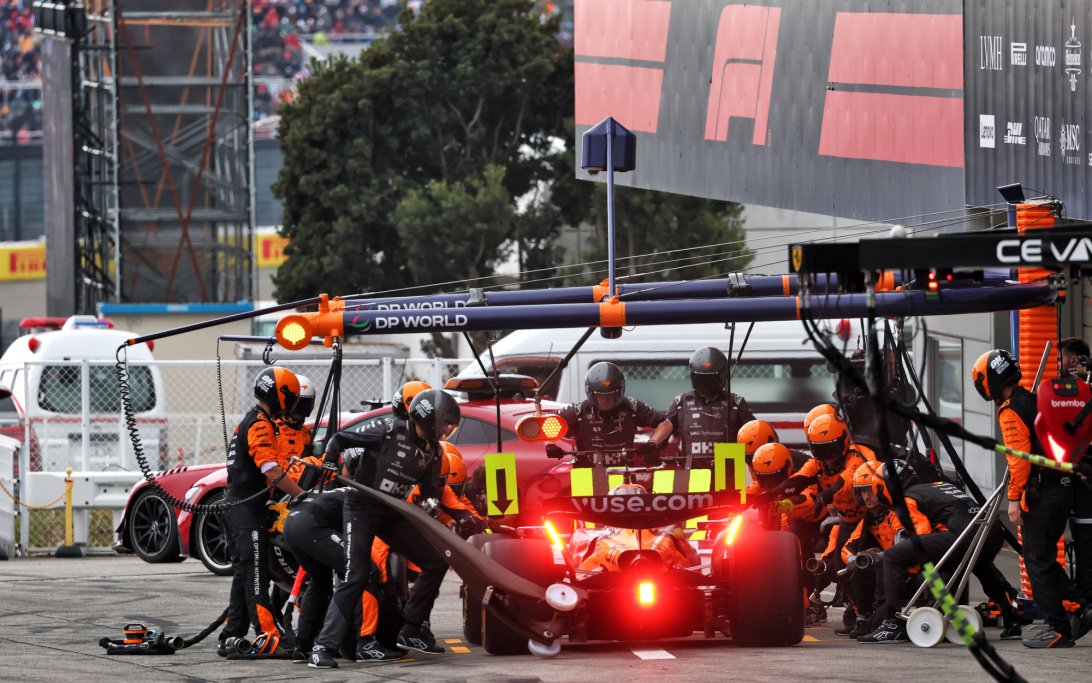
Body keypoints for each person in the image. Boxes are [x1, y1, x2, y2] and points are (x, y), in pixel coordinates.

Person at [309, 389, 461, 669]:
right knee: (356, 574)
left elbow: (430, 492)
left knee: (436, 561)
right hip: (361, 507)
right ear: (428, 418)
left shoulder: (434, 452)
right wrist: (330, 460)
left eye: (451, 425)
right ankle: (323, 647)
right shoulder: (388, 429)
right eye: (445, 423)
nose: (448, 429)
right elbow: (339, 438)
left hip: (393, 512)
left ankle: (412, 627)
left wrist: (431, 505)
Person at [973, 349, 1092, 648]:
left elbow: (1019, 460)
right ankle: (1080, 607)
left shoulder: (1011, 409)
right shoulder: (1040, 398)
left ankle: (1059, 627)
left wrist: (1014, 498)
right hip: (1065, 488)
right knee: (1042, 558)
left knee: (1036, 561)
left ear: (992, 381)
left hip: (1041, 494)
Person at [219, 367, 305, 656]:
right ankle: (268, 635)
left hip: (239, 504)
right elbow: (270, 469)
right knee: (257, 572)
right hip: (244, 505)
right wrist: (302, 496)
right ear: (279, 396)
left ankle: (232, 634)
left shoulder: (252, 419)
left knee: (245, 573)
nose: (292, 404)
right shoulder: (260, 423)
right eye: (291, 398)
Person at [844, 460, 934, 643]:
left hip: (913, 569)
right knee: (857, 565)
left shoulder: (899, 510)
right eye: (862, 491)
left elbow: (918, 539)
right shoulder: (868, 519)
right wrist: (856, 558)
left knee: (883, 562)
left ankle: (890, 620)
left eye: (870, 489)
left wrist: (882, 555)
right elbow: (847, 548)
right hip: (892, 574)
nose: (867, 496)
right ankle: (863, 614)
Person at [550, 362, 671, 467]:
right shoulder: (578, 410)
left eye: (610, 395)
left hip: (624, 472)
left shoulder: (632, 406)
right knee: (583, 494)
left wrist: (652, 443)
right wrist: (551, 444)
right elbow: (548, 423)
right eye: (600, 396)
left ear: (620, 391)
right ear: (591, 393)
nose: (606, 400)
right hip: (585, 473)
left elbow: (666, 423)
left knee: (626, 493)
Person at [665, 347, 756, 468]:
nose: (707, 384)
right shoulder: (680, 402)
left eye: (710, 379)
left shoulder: (736, 402)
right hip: (691, 473)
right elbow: (664, 428)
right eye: (703, 379)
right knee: (661, 484)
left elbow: (756, 435)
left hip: (728, 470)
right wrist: (654, 445)